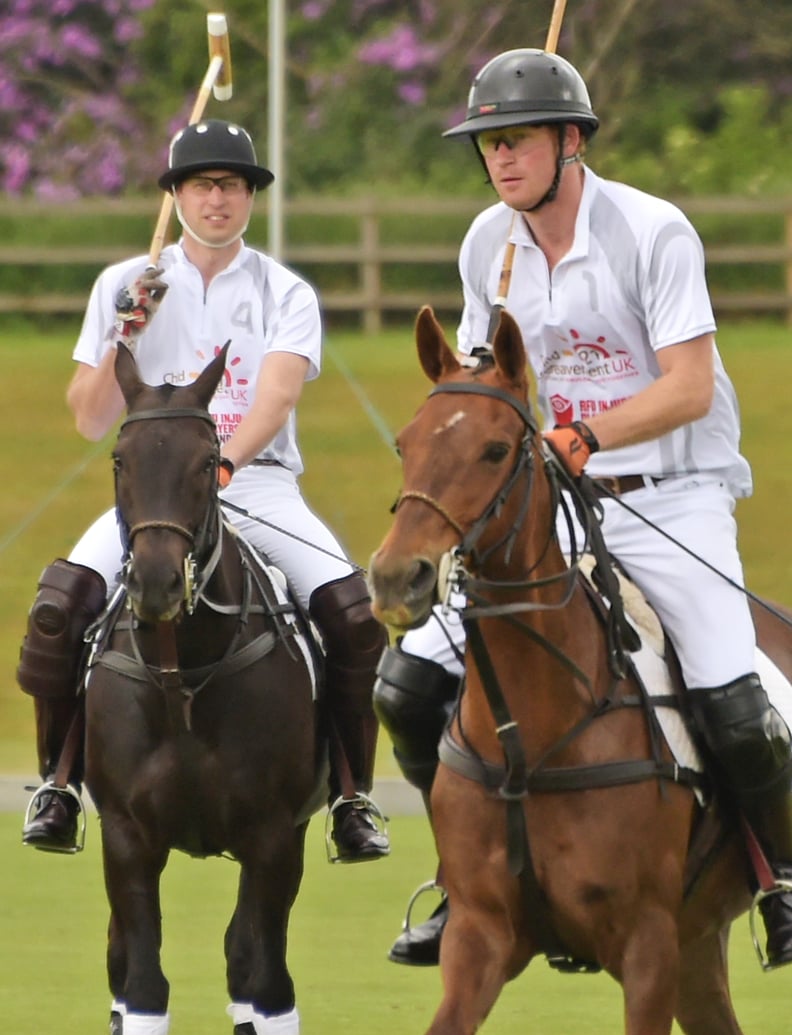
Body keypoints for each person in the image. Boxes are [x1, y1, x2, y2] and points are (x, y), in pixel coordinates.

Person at [374, 47, 792, 968]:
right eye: (487, 145)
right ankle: (462, 878)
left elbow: (689, 385)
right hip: (551, 504)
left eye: (516, 140)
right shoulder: (489, 243)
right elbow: (492, 382)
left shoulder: (654, 231)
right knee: (405, 685)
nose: (499, 160)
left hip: (674, 497)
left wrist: (587, 433)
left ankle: (782, 884)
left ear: (571, 141)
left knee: (737, 702)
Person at [18, 118, 390, 867]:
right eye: (200, 184)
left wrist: (220, 468)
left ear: (249, 195)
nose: (216, 198)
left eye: (230, 184)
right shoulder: (125, 285)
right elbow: (90, 417)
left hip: (258, 484)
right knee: (56, 612)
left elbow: (276, 399)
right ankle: (57, 781)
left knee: (354, 615)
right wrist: (124, 329)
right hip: (155, 496)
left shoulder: (285, 291)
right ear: (176, 194)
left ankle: (350, 794)